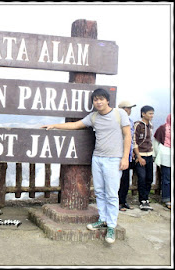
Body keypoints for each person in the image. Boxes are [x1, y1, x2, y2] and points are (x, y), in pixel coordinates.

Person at [41, 88, 131, 244]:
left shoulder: (119, 114)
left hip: (114, 159)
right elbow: (75, 125)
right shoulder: (94, 116)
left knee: (111, 193)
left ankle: (111, 226)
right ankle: (102, 219)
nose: (98, 102)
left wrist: (125, 158)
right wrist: (54, 125)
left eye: (101, 99)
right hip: (97, 158)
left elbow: (128, 135)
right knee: (100, 192)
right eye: (95, 100)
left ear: (107, 100)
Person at [133, 105, 155, 211]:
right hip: (140, 155)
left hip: (149, 154)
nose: (152, 115)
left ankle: (146, 199)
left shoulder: (150, 125)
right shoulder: (138, 125)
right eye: (150, 113)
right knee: (141, 178)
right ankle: (142, 200)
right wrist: (138, 156)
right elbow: (134, 141)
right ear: (143, 114)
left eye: (152, 113)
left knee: (149, 178)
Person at [117, 101, 136, 212]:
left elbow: (131, 139)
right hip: (119, 154)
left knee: (125, 180)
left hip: (127, 155)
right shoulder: (117, 121)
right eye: (128, 108)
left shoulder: (131, 122)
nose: (129, 110)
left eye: (130, 108)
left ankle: (123, 201)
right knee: (119, 180)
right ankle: (118, 202)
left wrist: (132, 151)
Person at [153, 114, 171, 210]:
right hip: (165, 156)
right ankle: (167, 199)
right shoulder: (162, 128)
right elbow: (156, 143)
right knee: (166, 179)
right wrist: (155, 156)